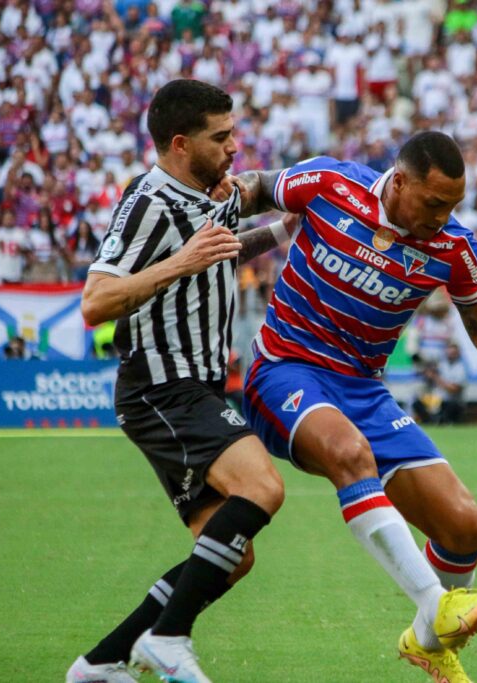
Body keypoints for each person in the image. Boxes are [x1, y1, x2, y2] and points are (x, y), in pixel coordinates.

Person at [233, 132, 477, 682]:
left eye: (453, 205)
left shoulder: (453, 247)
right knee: (349, 452)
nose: (443, 216)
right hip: (285, 367)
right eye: (434, 202)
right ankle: (435, 601)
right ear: (399, 182)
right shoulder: (332, 182)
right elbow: (258, 187)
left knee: (464, 526)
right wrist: (217, 197)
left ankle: (426, 643)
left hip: (363, 389)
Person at [68, 80, 291, 683]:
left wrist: (281, 231)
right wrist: (180, 261)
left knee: (229, 557)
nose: (234, 147)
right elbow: (95, 301)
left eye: (233, 133)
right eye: (221, 137)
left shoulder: (206, 191)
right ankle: (168, 638)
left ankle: (99, 664)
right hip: (162, 388)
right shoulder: (149, 202)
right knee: (262, 486)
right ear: (180, 144)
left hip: (195, 389)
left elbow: (217, 252)